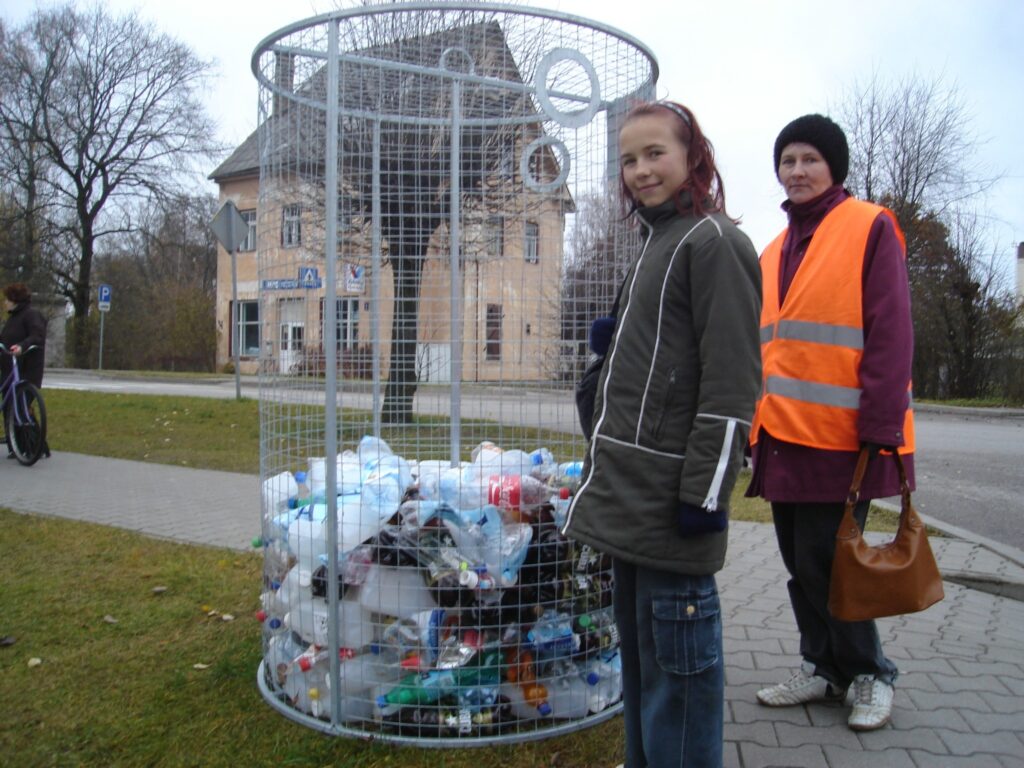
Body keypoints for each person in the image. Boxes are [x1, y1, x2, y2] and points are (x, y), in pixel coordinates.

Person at [562, 100, 762, 768]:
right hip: (627, 502)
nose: (641, 171)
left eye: (655, 154)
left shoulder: (715, 243)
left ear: (692, 157)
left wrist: (703, 497)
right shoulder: (659, 239)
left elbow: (731, 387)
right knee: (644, 677)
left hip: (673, 510)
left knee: (681, 690)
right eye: (628, 160)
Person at [747, 114, 915, 731]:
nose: (796, 170)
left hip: (844, 439)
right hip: (780, 436)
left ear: (833, 167)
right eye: (787, 160)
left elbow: (892, 329)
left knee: (834, 560)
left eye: (809, 159)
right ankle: (822, 666)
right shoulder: (772, 250)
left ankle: (871, 674)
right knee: (800, 560)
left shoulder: (869, 225)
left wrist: (881, 424)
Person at [1, 282, 50, 458]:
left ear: (14, 300)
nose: (4, 303)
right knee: (10, 407)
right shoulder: (13, 318)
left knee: (21, 406)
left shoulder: (31, 315)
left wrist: (22, 346)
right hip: (9, 370)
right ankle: (19, 446)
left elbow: (37, 336)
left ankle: (31, 446)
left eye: (7, 299)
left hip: (27, 370)